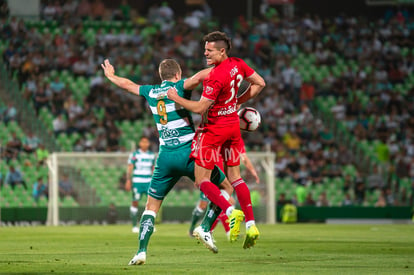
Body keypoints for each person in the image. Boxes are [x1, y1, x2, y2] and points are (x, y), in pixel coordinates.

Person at [101, 58, 234, 265]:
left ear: (161, 76)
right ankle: (205, 227)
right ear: (178, 74)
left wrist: (111, 76)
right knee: (225, 186)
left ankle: (141, 251)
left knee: (151, 207)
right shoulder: (180, 86)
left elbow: (128, 85)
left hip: (165, 156)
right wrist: (225, 68)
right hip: (191, 152)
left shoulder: (151, 91)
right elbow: (200, 76)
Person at [167, 31, 266, 249]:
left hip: (213, 130)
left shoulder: (215, 77)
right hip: (233, 126)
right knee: (236, 178)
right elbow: (260, 83)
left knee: (201, 180)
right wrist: (237, 102)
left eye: (210, 50)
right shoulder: (238, 64)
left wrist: (177, 99)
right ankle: (251, 224)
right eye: (205, 49)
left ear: (222, 50)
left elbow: (200, 108)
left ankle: (231, 211)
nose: (205, 53)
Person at [188, 138, 260, 238]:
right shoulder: (214, 134)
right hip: (210, 175)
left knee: (226, 203)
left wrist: (253, 171)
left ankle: (215, 231)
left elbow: (244, 158)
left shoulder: (235, 139)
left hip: (222, 179)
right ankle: (196, 229)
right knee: (203, 205)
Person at [126, 136, 156, 233]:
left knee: (151, 204)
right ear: (140, 143)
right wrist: (128, 180)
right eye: (143, 142)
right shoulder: (135, 154)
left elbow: (153, 169)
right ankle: (134, 225)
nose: (144, 144)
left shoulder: (152, 155)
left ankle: (149, 225)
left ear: (149, 144)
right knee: (135, 202)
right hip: (137, 181)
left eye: (146, 142)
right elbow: (130, 167)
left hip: (148, 182)